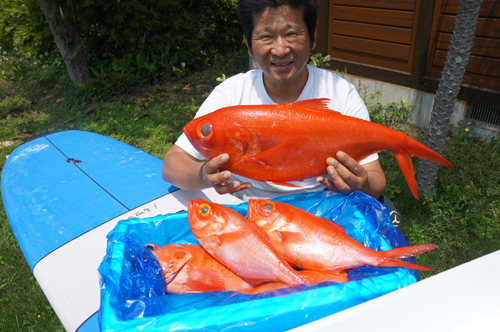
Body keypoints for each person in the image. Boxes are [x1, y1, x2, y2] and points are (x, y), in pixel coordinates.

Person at [162, 0, 386, 201]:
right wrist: (203, 175)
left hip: (325, 207)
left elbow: (376, 179)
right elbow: (171, 165)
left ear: (313, 38)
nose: (280, 50)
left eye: (292, 34)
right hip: (248, 208)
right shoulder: (230, 95)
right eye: (266, 37)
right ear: (249, 45)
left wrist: (361, 185)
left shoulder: (340, 93)